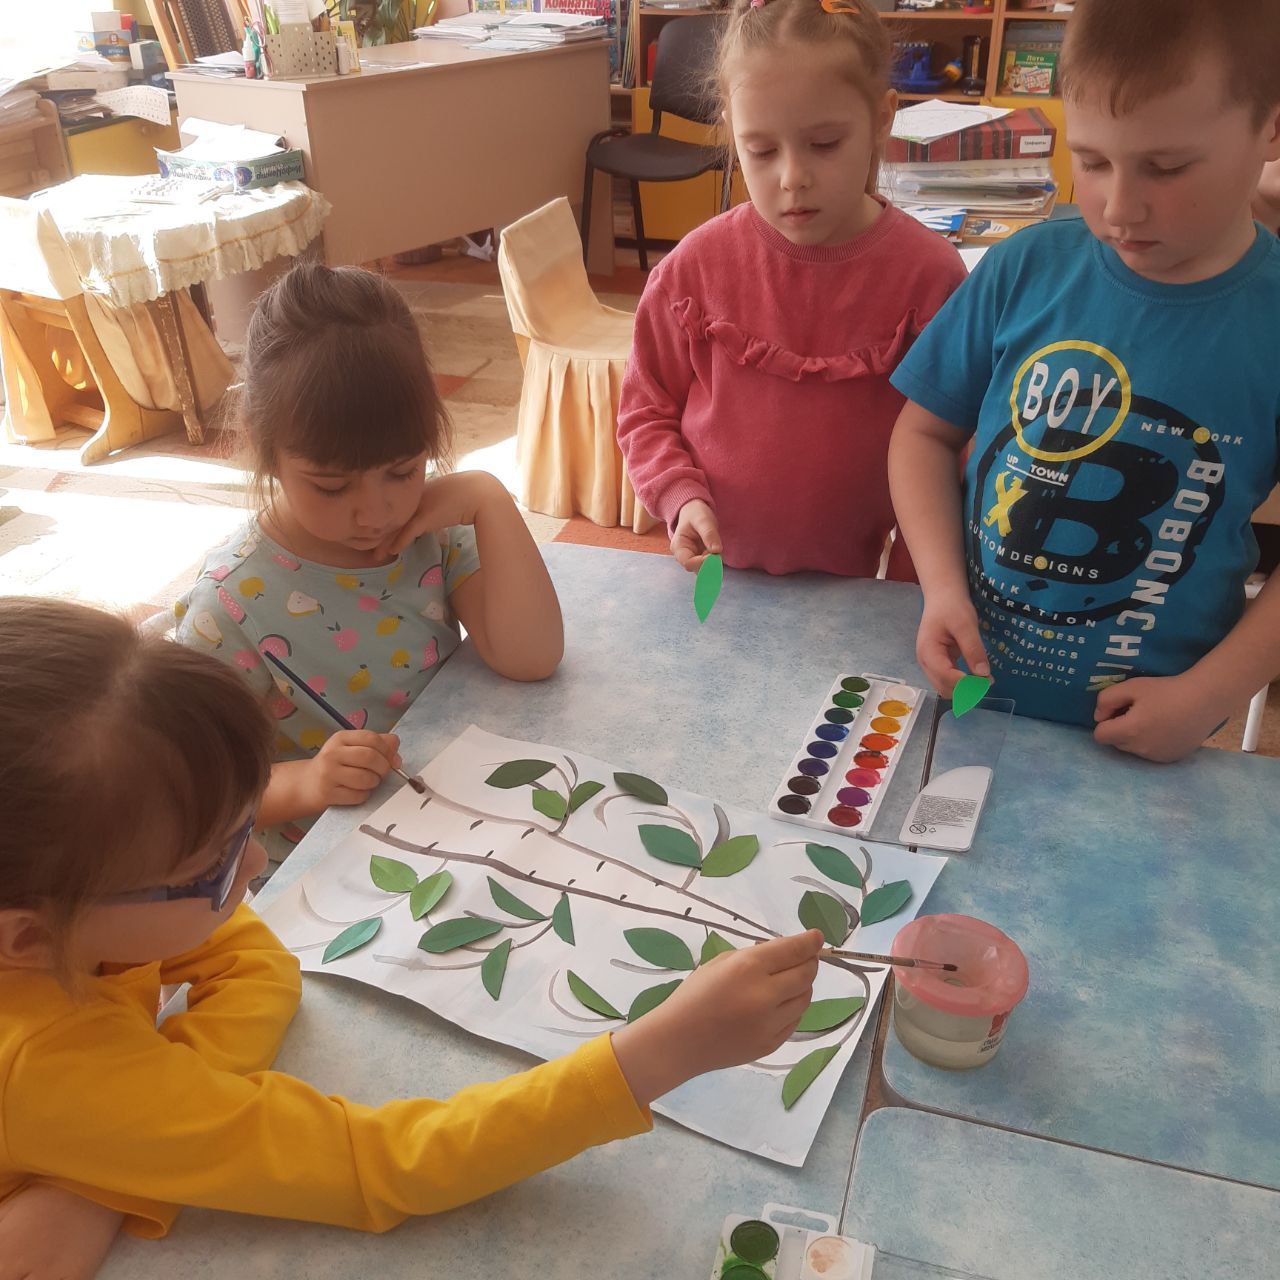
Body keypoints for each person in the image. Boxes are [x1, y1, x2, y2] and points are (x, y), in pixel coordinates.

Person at [0, 597, 824, 1277]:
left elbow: (251, 960)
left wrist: (122, 1160)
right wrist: (653, 1056)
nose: (255, 864)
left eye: (247, 824)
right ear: (28, 939)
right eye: (212, 867)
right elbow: (381, 1164)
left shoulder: (69, 906)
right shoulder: (53, 1066)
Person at [887, 0, 1280, 761]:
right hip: (966, 697)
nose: (1119, 208)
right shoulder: (1024, 267)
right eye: (1092, 161)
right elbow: (922, 435)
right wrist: (940, 588)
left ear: (1270, 126)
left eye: (1167, 167)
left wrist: (1212, 693)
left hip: (1149, 732)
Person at [175, 262, 563, 878]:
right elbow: (191, 797)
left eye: (403, 471)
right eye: (331, 486)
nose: (376, 513)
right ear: (262, 443)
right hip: (324, 870)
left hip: (452, 823)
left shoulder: (431, 529)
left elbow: (532, 656)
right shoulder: (228, 605)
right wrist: (308, 782)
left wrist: (489, 498)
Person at [616, 0, 966, 578]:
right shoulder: (692, 270)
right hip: (714, 575)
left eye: (824, 143)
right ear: (731, 129)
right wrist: (679, 495)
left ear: (882, 118)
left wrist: (919, 583)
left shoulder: (930, 277)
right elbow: (644, 410)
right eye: (761, 150)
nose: (792, 177)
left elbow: (952, 451)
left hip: (860, 590)